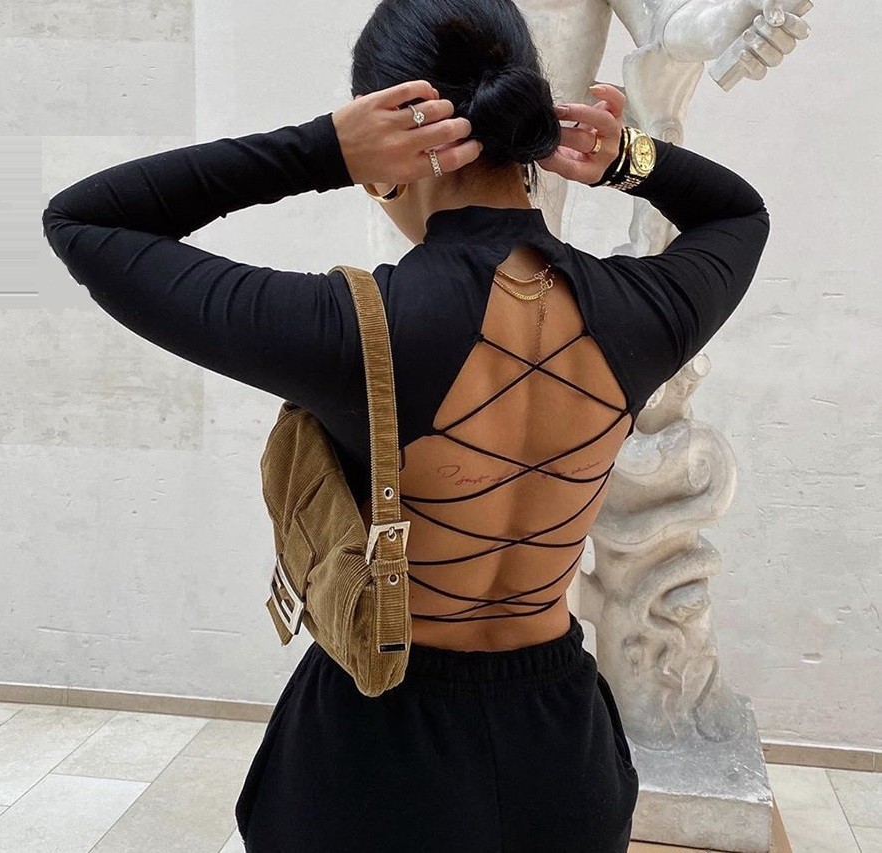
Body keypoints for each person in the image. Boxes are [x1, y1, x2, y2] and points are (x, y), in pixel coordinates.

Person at [41, 0, 771, 849]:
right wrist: (627, 159)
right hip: (558, 754)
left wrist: (320, 150)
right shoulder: (641, 308)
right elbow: (738, 215)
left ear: (386, 150)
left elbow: (83, 221)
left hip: (372, 755)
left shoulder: (353, 330)